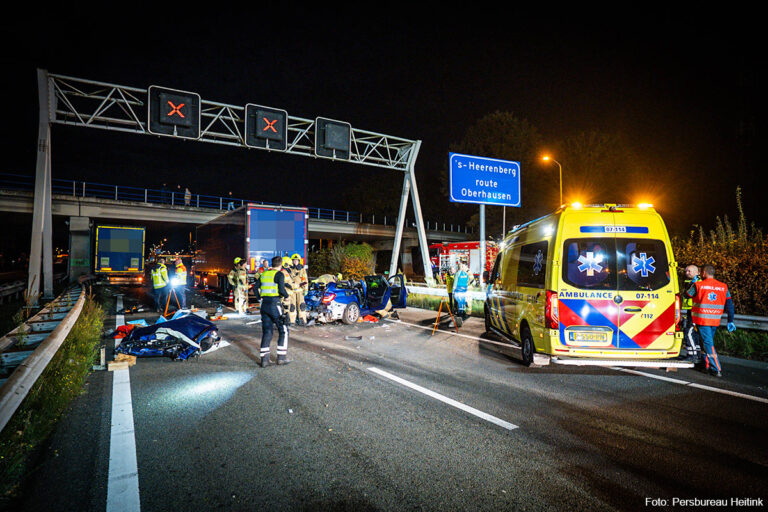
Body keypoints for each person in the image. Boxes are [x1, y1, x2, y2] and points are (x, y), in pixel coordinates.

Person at [683, 264, 735, 377]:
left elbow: (686, 295)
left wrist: (692, 283)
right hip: (715, 320)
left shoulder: (698, 285)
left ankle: (716, 368)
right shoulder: (723, 286)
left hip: (703, 320)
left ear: (703, 273)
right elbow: (730, 305)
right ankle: (706, 365)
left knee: (708, 344)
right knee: (706, 342)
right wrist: (730, 320)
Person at [253, 256, 291, 367]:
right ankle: (281, 358)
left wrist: (259, 298)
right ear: (281, 264)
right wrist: (287, 296)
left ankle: (264, 360)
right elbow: (281, 289)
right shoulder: (279, 274)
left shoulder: (264, 274)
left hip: (264, 305)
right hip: (275, 304)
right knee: (283, 329)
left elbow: (255, 288)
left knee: (267, 331)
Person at [679, 264, 702, 364]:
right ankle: (697, 354)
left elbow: (688, 294)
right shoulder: (690, 281)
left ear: (697, 272)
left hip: (694, 310)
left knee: (689, 332)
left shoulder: (698, 282)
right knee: (694, 333)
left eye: (689, 271)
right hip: (691, 309)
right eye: (686, 271)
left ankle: (692, 355)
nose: (687, 273)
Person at [289, 253, 308, 325]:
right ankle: (292, 321)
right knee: (292, 306)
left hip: (300, 291)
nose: (295, 262)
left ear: (299, 261)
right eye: (294, 260)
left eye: (297, 260)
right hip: (292, 291)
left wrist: (305, 289)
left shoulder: (302, 269)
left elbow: (305, 280)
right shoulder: (290, 269)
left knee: (302, 306)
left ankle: (302, 320)